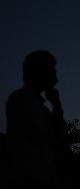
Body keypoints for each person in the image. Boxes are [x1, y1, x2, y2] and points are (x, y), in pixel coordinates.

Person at [6, 50, 66, 188]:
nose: (55, 79)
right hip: (28, 180)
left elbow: (60, 137)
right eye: (52, 72)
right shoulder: (19, 99)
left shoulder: (42, 108)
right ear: (40, 72)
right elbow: (51, 137)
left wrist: (57, 106)